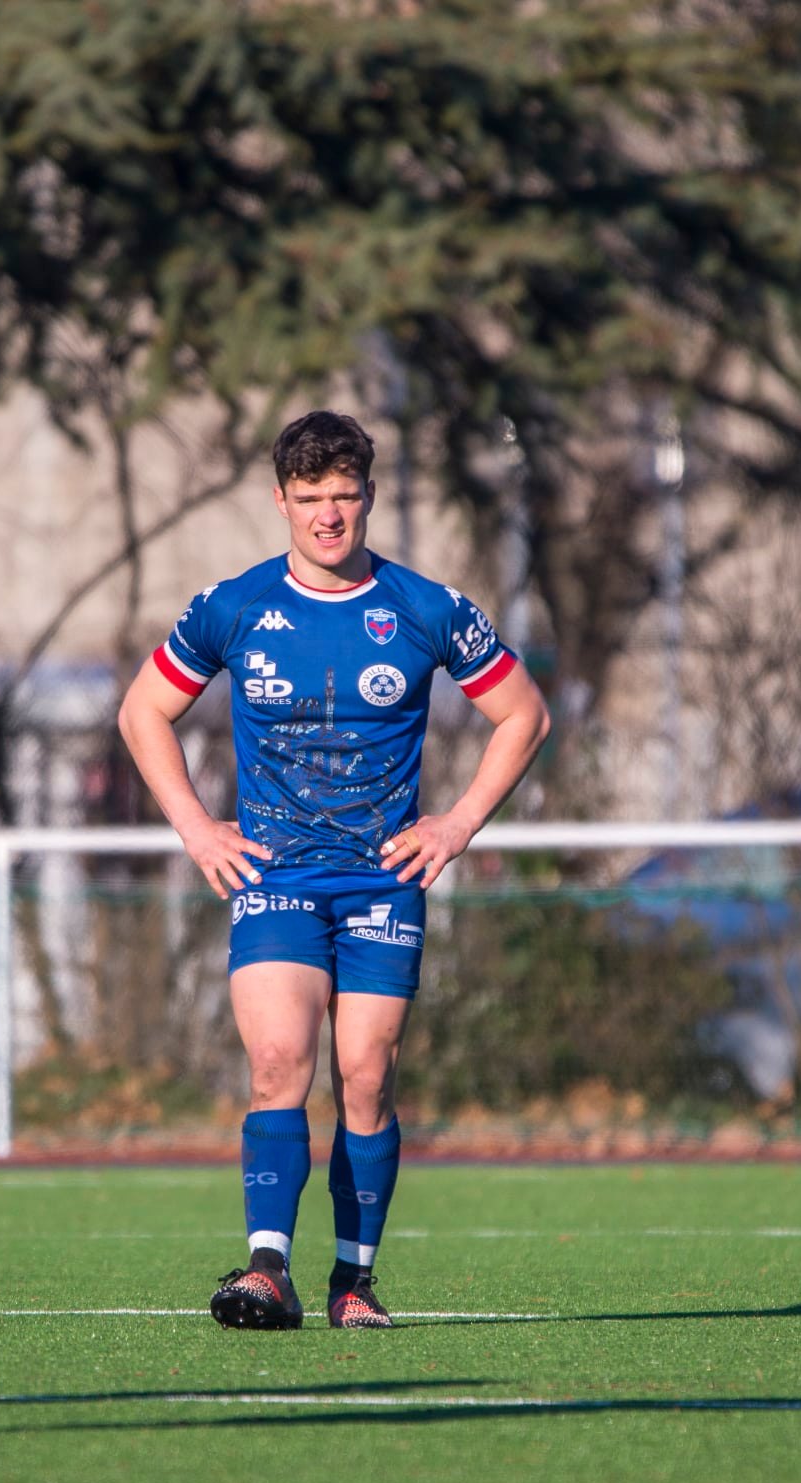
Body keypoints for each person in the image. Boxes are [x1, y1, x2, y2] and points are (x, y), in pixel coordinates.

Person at [118, 410, 550, 1329]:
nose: (327, 516)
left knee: (365, 1072)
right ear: (280, 501)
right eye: (309, 499)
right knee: (279, 1060)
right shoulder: (233, 606)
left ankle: (354, 1282)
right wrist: (198, 829)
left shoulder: (428, 608)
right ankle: (266, 1270)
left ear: (369, 497)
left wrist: (459, 822)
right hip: (274, 873)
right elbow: (141, 713)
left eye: (344, 497)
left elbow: (525, 714)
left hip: (382, 878)